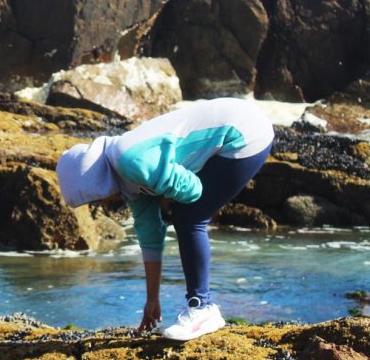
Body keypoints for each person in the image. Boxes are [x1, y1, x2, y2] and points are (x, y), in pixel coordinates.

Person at [56, 98, 274, 341]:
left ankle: (202, 308)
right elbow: (150, 236)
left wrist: (164, 193)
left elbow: (193, 191)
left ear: (96, 182)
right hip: (236, 127)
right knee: (185, 215)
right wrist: (152, 300)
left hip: (245, 130)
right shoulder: (127, 180)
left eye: (94, 199)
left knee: (189, 216)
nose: (101, 206)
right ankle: (201, 306)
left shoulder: (132, 161)